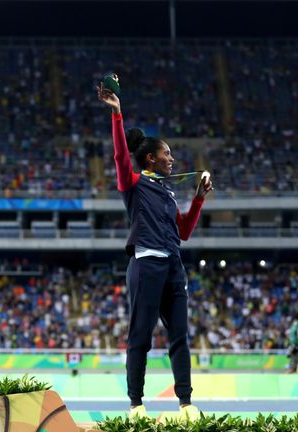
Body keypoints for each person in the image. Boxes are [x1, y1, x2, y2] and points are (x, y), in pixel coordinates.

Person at [97, 79, 213, 421]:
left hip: (174, 266)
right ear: (150, 157)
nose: (172, 159)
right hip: (146, 263)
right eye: (167, 154)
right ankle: (136, 405)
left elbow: (185, 232)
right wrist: (117, 114)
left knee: (180, 336)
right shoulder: (133, 184)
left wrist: (199, 200)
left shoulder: (167, 193)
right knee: (141, 336)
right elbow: (120, 155)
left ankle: (186, 404)